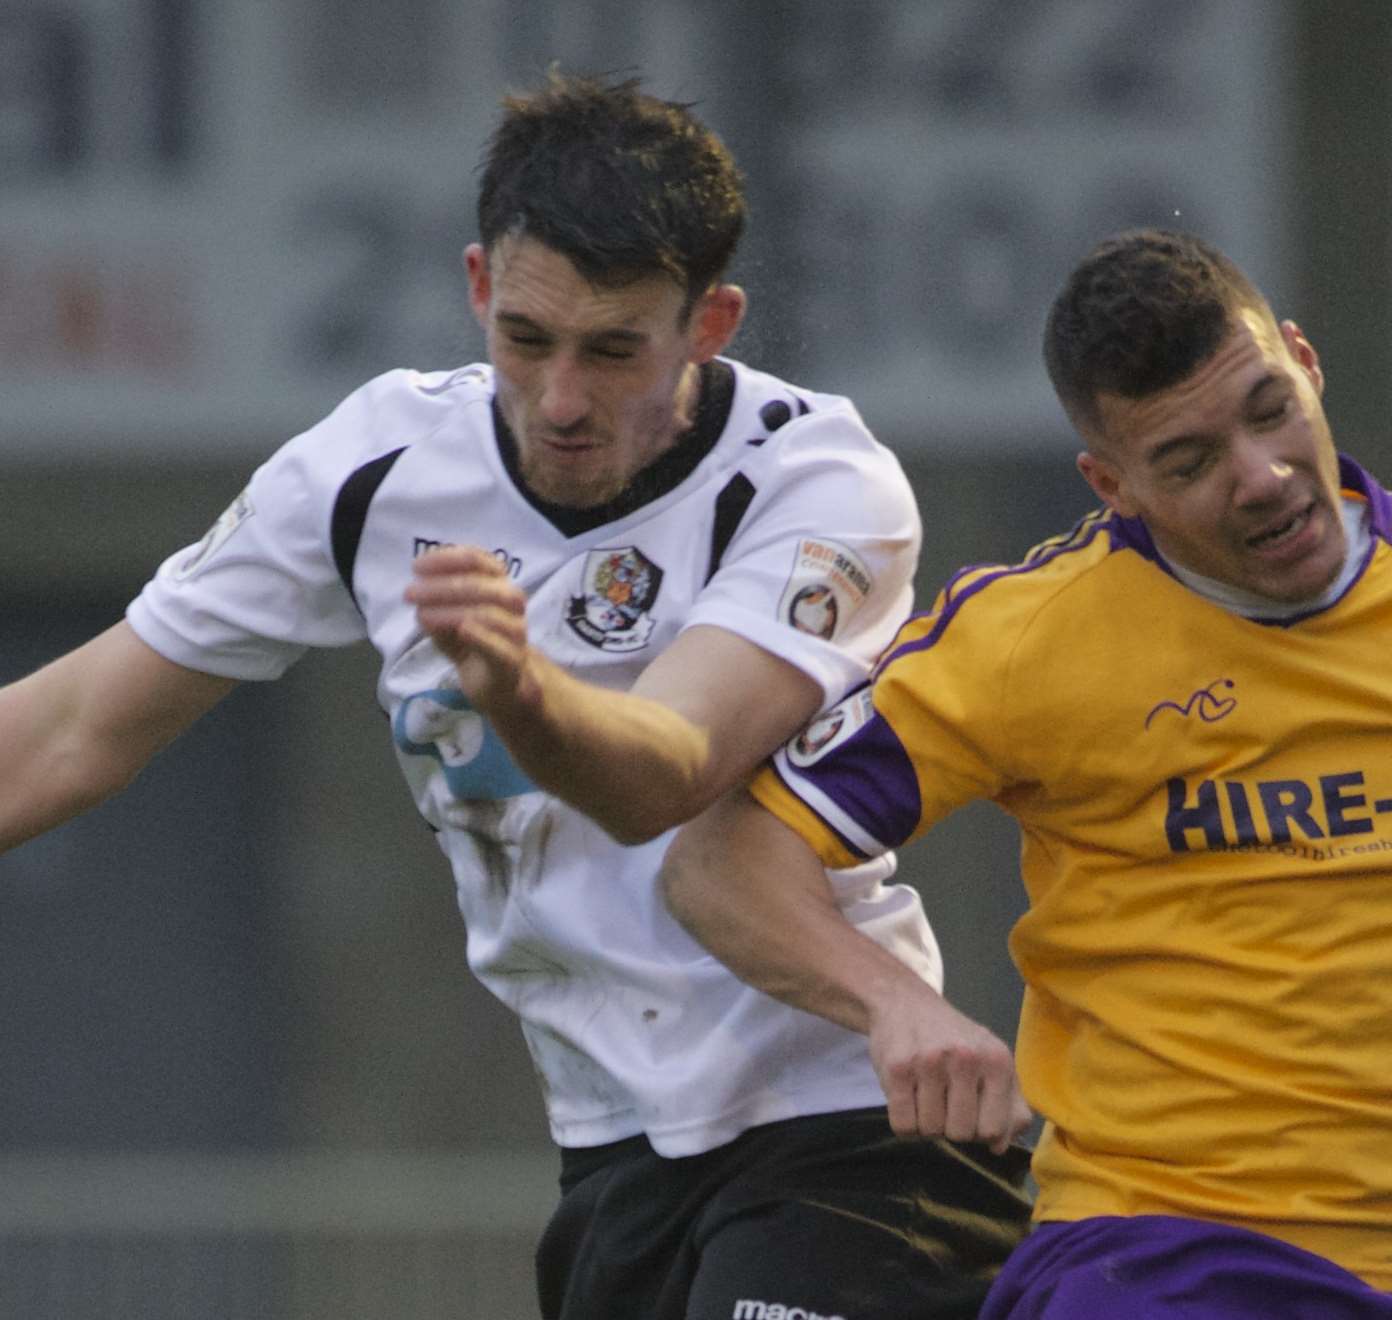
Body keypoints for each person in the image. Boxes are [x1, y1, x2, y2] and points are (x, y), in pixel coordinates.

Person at [0, 72, 1032, 1320]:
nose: (560, 400)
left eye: (613, 351)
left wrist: (518, 685)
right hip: (612, 1151)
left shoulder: (815, 484)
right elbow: (66, 731)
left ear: (711, 322)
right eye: (527, 339)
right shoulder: (369, 473)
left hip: (848, 1128)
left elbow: (668, 773)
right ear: (481, 286)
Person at [659, 227, 1392, 1319]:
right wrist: (893, 1002)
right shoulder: (1028, 643)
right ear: (1112, 486)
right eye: (1189, 461)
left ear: (1304, 361)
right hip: (1158, 1262)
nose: (1258, 477)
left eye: (1270, 411)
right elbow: (721, 861)